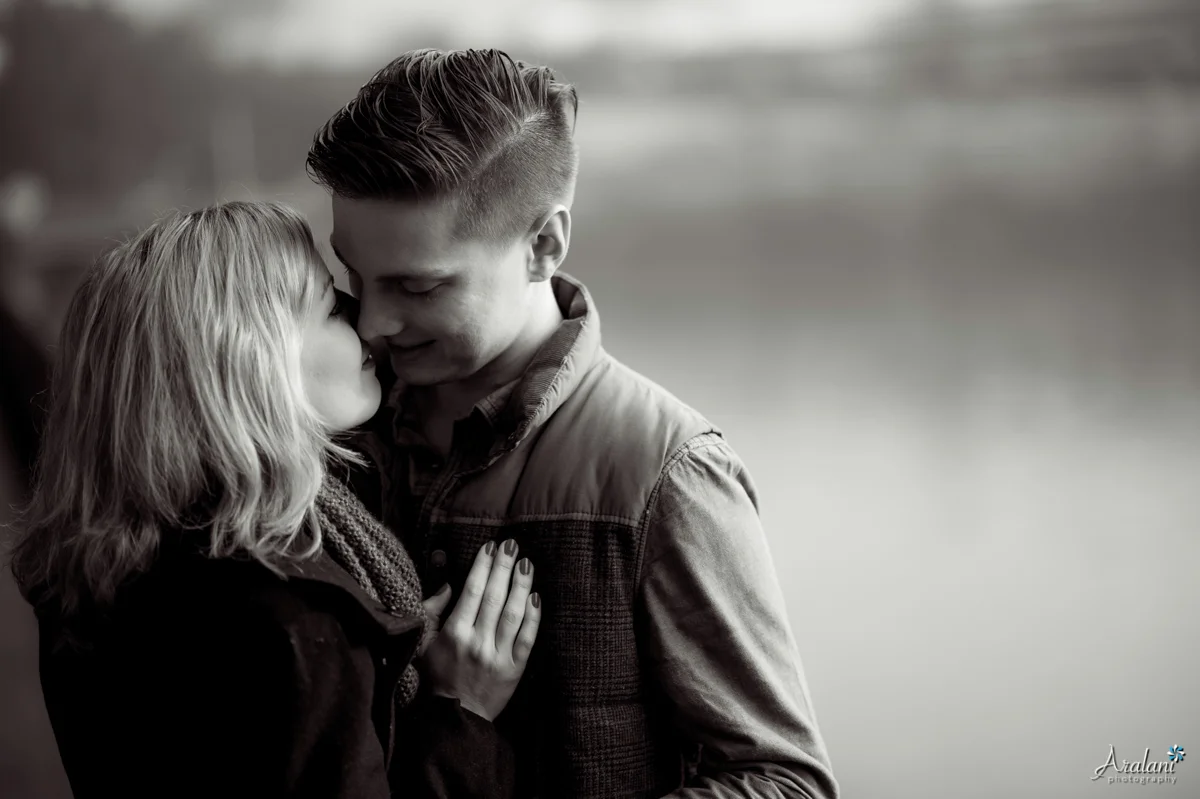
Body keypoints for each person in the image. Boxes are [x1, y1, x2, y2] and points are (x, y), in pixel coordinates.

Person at [306, 48, 839, 798]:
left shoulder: (666, 473)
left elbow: (785, 783)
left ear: (544, 246)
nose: (372, 321)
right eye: (353, 277)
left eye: (417, 287)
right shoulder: (326, 442)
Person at [7, 201, 541, 799]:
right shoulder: (292, 620)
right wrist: (459, 712)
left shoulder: (98, 576)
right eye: (327, 305)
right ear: (251, 362)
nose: (365, 321)